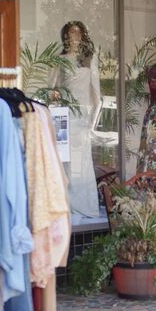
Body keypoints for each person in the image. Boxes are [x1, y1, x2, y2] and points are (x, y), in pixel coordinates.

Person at [57, 21, 101, 218]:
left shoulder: (89, 59)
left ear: (83, 35)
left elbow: (96, 94)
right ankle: (65, 204)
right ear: (65, 36)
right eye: (70, 32)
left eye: (77, 32)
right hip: (64, 114)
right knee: (64, 160)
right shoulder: (61, 60)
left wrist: (92, 121)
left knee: (83, 160)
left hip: (81, 116)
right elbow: (54, 88)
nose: (74, 35)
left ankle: (85, 205)